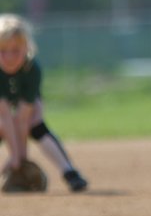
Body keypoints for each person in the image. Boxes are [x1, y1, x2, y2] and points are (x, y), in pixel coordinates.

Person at [0, 14, 88, 192]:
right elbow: (5, 117)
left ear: (27, 48)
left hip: (28, 109)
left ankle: (70, 173)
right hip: (2, 113)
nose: (9, 57)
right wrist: (16, 158)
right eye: (2, 51)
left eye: (16, 50)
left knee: (37, 126)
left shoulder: (32, 69)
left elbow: (23, 119)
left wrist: (21, 159)